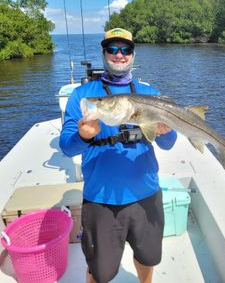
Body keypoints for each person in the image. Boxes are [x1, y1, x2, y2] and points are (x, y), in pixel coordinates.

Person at [59, 27, 177, 283]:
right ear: (104, 54)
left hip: (146, 192)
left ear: (133, 54)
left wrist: (165, 131)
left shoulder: (150, 93)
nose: (119, 55)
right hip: (101, 198)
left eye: (125, 49)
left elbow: (169, 144)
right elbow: (67, 147)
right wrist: (84, 136)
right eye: (112, 49)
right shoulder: (83, 96)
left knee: (148, 257)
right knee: (100, 271)